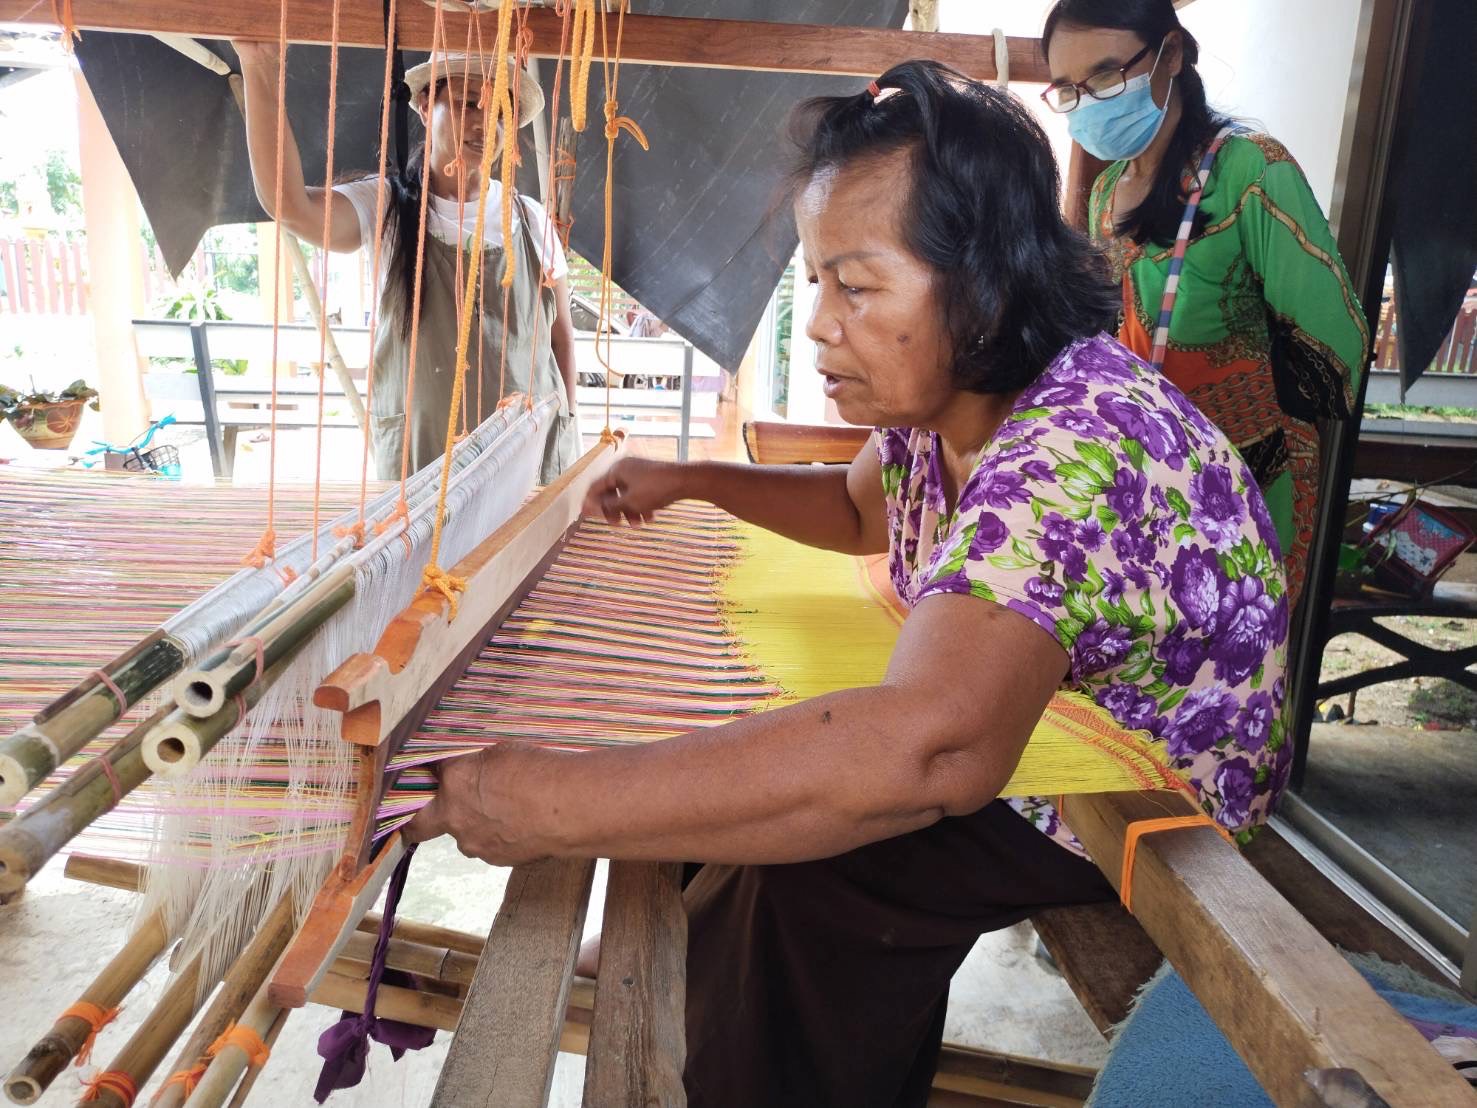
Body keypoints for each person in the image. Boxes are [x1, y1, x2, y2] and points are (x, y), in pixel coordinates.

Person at [406, 61, 1291, 1107]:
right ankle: (717, 968)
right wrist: (690, 478)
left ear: (987, 280)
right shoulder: (946, 408)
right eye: (816, 281)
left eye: (856, 286)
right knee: (758, 785)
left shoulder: (1074, 444)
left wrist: (553, 798)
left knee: (818, 871)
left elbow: (937, 749)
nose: (821, 323)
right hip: (1045, 715)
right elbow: (857, 511)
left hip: (1141, 775)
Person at [1042, 0, 1369, 605]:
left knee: (1233, 653)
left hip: (1249, 474)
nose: (1090, 102)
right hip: (1147, 473)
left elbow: (1334, 343)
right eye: (1068, 89)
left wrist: (1248, 432)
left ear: (1171, 53)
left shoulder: (1249, 169)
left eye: (1107, 76)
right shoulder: (1109, 189)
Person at [234, 45, 580, 482]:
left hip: (529, 459)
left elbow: (561, 336)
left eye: (496, 110)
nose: (481, 121)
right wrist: (257, 64)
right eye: (465, 102)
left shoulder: (529, 218)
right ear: (422, 106)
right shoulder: (386, 207)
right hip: (425, 463)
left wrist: (567, 424)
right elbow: (289, 206)